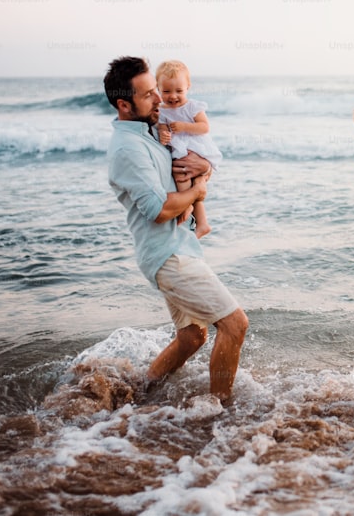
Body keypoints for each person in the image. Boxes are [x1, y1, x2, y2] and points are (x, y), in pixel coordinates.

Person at [104, 56, 249, 402]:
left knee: (192, 337)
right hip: (168, 255)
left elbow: (189, 161)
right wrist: (198, 192)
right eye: (148, 95)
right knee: (235, 324)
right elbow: (159, 211)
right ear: (124, 105)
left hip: (178, 247)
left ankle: (138, 393)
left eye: (157, 91)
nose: (158, 100)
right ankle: (220, 412)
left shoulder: (151, 133)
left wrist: (203, 170)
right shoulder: (128, 148)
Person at [154, 60, 223, 239]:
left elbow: (204, 127)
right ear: (158, 88)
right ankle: (199, 219)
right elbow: (162, 127)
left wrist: (185, 126)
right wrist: (164, 134)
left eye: (179, 91)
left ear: (188, 87)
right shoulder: (161, 111)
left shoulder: (192, 106)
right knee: (182, 178)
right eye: (166, 91)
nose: (173, 96)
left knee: (193, 179)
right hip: (179, 149)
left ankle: (195, 214)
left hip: (197, 147)